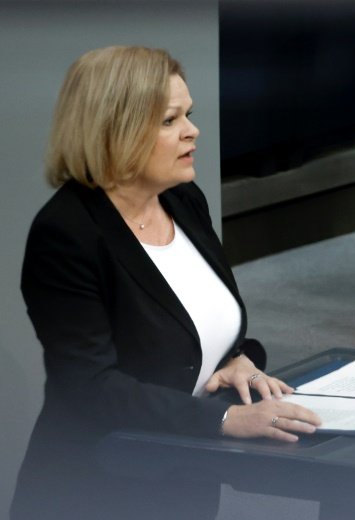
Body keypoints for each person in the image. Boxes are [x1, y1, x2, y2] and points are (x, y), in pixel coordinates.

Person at [20, 45, 321, 441]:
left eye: (188, 115)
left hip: (190, 460)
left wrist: (236, 360)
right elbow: (92, 388)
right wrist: (224, 419)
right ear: (114, 131)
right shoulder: (66, 235)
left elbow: (193, 336)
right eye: (169, 120)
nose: (191, 130)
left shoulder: (183, 199)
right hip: (106, 468)